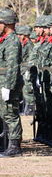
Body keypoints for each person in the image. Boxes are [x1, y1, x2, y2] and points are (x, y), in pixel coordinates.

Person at [0, 8, 23, 157]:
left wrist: (8, 86)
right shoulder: (5, 40)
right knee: (3, 113)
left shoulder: (13, 41)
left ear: (7, 24)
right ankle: (5, 143)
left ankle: (14, 146)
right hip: (2, 82)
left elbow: (12, 66)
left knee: (10, 114)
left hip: (8, 83)